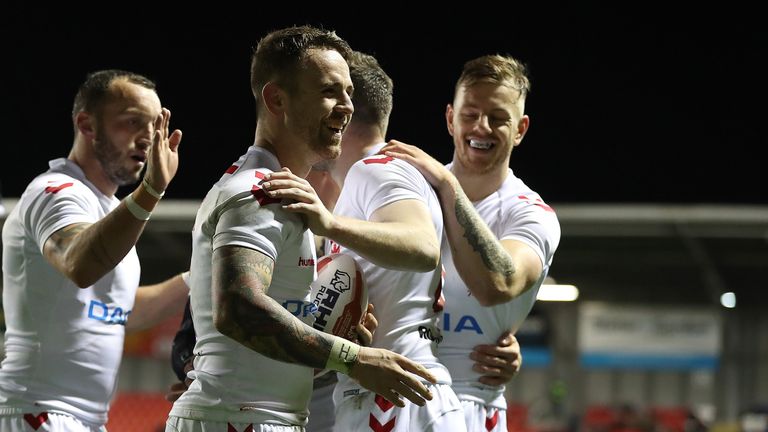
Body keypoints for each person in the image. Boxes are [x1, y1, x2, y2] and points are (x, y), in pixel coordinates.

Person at [165, 27, 436, 432]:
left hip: (256, 416)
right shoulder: (260, 191)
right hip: (236, 420)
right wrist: (352, 357)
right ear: (277, 99)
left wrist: (333, 339)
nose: (347, 106)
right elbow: (238, 309)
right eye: (330, 91)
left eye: (348, 92)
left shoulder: (286, 196)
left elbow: (262, 345)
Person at [265, 51, 465, 432]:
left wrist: (328, 223)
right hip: (395, 392)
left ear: (345, 110)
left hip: (395, 401)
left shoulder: (374, 171)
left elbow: (421, 247)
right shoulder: (381, 174)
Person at [0, 69, 189, 431]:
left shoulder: (105, 209)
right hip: (38, 411)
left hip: (82, 419)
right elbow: (79, 264)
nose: (147, 138)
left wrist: (201, 277)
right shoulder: (56, 192)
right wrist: (150, 191)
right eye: (132, 121)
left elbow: (120, 311)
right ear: (86, 124)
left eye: (153, 125)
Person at [381, 54, 561, 431]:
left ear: (521, 129)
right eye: (470, 114)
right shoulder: (409, 192)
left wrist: (449, 187)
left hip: (472, 402)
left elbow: (496, 285)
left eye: (498, 118)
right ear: (450, 119)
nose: (482, 127)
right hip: (391, 395)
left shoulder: (531, 214)